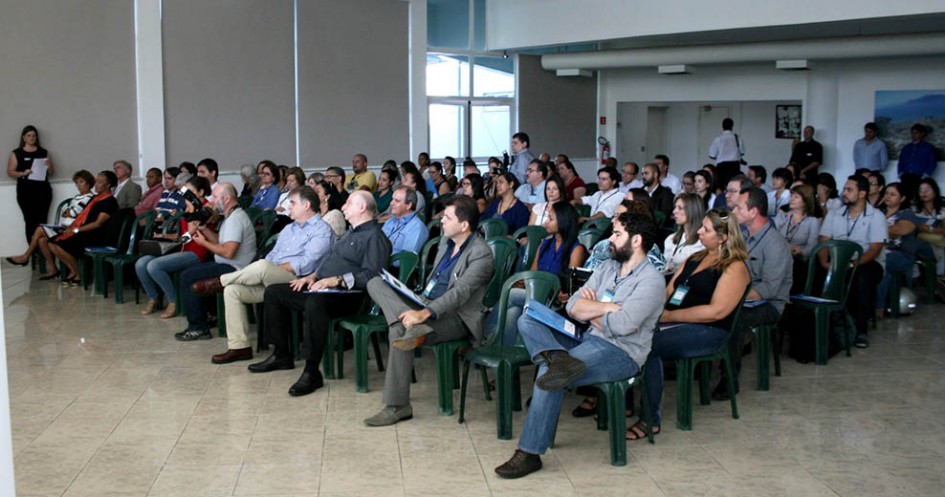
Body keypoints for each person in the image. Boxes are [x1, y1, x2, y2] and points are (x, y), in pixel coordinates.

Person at [494, 212, 665, 478]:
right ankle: (556, 357)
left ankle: (529, 453)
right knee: (529, 316)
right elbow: (573, 305)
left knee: (550, 374)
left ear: (637, 240)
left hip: (621, 351)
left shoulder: (652, 280)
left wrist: (593, 311)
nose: (610, 238)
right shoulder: (609, 266)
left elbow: (624, 326)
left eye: (617, 234)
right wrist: (608, 308)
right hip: (587, 336)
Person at [363, 195, 494, 425]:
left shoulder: (481, 254)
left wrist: (424, 314)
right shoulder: (446, 242)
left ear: (464, 225)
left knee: (398, 332)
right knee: (375, 282)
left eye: (447, 217)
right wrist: (416, 308)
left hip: (457, 317)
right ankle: (407, 321)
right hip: (425, 301)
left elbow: (459, 293)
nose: (441, 221)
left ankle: (397, 406)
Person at [249, 191, 391, 397]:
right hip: (323, 287)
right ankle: (281, 353)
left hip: (350, 296)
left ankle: (312, 370)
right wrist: (312, 276)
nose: (343, 207)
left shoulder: (375, 236)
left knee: (315, 303)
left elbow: (373, 275)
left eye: (349, 203)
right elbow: (330, 261)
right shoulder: (352, 232)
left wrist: (337, 280)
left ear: (362, 208)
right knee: (275, 292)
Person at [636, 209, 750, 440]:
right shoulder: (695, 258)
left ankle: (650, 419)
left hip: (709, 331)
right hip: (673, 321)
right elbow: (668, 291)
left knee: (649, 345)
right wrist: (651, 313)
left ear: (723, 237)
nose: (699, 231)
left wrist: (669, 317)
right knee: (629, 333)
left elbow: (717, 311)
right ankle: (626, 404)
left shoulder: (734, 267)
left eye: (706, 229)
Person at [188, 186, 336, 364]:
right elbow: (272, 255)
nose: (288, 207)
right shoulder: (290, 229)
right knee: (233, 290)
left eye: (293, 203)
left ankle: (220, 281)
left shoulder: (322, 230)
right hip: (272, 277)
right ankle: (239, 347)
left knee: (263, 266)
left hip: (300, 280)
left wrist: (272, 268)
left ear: (306, 205)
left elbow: (305, 263)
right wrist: (270, 269)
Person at [715, 187, 792, 400]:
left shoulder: (775, 243)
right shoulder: (745, 237)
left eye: (740, 207)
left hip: (769, 305)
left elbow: (769, 289)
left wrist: (730, 297)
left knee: (733, 316)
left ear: (753, 212)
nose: (734, 211)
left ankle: (729, 378)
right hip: (745, 297)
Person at [486, 202, 588, 347]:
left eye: (551, 219)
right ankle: (505, 356)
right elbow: (533, 274)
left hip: (554, 302)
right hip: (535, 295)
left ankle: (486, 336)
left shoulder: (576, 249)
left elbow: (570, 287)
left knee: (511, 294)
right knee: (512, 313)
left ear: (563, 221)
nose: (546, 222)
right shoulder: (544, 244)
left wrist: (558, 292)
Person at [174, 183, 258, 341]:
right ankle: (205, 318)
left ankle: (198, 328)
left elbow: (228, 252)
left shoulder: (235, 220)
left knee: (188, 276)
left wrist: (203, 244)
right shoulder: (231, 216)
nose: (210, 200)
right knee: (193, 272)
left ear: (226, 198)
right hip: (228, 264)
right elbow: (221, 241)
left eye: (215, 196)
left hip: (235, 268)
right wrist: (204, 229)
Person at [819, 175, 886, 348]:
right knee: (811, 271)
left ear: (862, 193)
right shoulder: (834, 214)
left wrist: (852, 264)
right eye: (844, 189)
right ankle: (822, 324)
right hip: (838, 261)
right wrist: (824, 262)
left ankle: (861, 328)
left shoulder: (876, 216)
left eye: (849, 190)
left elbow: (875, 249)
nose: (844, 193)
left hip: (866, 262)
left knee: (862, 277)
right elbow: (824, 240)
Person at [137, 176, 213, 318]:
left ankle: (173, 300)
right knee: (141, 263)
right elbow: (183, 235)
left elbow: (191, 233)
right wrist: (166, 238)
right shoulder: (188, 206)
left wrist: (178, 239)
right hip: (181, 247)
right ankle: (153, 297)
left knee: (154, 266)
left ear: (201, 192)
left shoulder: (205, 208)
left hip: (196, 251)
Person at [6, 170, 94, 278]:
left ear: (88, 183)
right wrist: (68, 213)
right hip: (63, 227)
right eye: (77, 182)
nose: (78, 185)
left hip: (71, 230)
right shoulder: (77, 197)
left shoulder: (89, 198)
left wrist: (69, 213)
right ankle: (53, 269)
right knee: (41, 240)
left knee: (39, 229)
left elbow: (73, 212)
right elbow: (66, 213)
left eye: (81, 182)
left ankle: (26, 256)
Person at [47, 171, 120, 286]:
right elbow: (83, 216)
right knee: (52, 242)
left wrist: (76, 230)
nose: (96, 184)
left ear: (108, 185)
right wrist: (71, 227)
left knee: (61, 245)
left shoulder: (110, 201)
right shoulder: (95, 198)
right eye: (96, 181)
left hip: (96, 235)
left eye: (100, 182)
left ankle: (78, 273)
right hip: (84, 231)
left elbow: (98, 224)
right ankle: (74, 270)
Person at [875, 183, 920, 319]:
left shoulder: (907, 214)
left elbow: (897, 231)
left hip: (901, 255)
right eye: (887, 193)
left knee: (881, 264)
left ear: (902, 198)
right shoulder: (879, 212)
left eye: (893, 194)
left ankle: (878, 308)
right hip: (878, 251)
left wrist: (873, 230)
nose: (888, 196)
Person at [8, 125, 54, 243]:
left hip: (43, 190)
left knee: (42, 221)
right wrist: (23, 173)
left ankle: (43, 251)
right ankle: (33, 253)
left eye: (34, 135)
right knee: (30, 221)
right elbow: (10, 172)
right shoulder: (17, 153)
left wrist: (49, 166)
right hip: (26, 191)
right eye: (29, 135)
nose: (32, 138)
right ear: (24, 138)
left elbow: (52, 172)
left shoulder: (43, 152)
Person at [775, 184, 821, 294]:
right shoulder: (783, 216)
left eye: (796, 197)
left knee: (793, 264)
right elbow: (773, 237)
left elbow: (811, 247)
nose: (791, 199)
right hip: (779, 255)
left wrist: (800, 251)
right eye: (791, 196)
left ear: (805, 201)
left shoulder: (812, 222)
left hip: (798, 260)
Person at [664, 193, 706, 275]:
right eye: (675, 207)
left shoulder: (702, 244)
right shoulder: (670, 239)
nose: (674, 212)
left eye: (680, 208)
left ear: (692, 211)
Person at [382, 186, 429, 256]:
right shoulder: (390, 221)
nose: (391, 203)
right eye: (392, 199)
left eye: (397, 201)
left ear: (409, 205)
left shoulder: (416, 227)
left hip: (392, 265)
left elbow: (406, 259)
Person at [708, 118, 746, 188]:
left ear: (722, 126)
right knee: (734, 186)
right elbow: (742, 152)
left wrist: (722, 155)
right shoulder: (737, 138)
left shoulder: (718, 139)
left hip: (722, 167)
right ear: (732, 126)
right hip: (734, 167)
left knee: (721, 186)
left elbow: (711, 155)